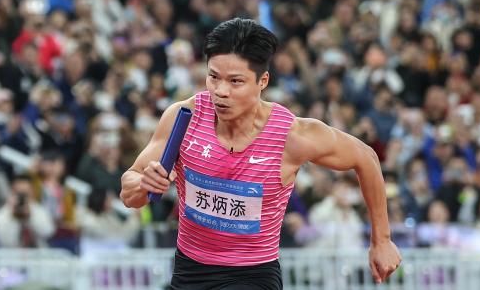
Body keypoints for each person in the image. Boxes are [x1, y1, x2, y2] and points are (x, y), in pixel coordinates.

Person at [120, 18, 401, 289]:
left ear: (263, 81)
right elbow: (129, 193)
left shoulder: (292, 136)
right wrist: (143, 183)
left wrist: (382, 240)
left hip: (253, 275)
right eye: (213, 77)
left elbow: (366, 158)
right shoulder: (183, 117)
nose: (220, 91)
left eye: (235, 81)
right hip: (188, 270)